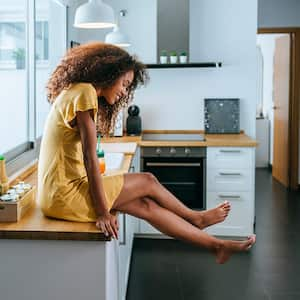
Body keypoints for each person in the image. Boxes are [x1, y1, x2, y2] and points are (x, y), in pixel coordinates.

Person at [38, 42, 255, 264]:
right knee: (147, 181)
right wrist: (103, 212)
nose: (124, 91)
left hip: (56, 195)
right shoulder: (85, 92)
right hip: (65, 195)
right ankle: (195, 218)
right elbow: (90, 157)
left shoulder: (75, 90)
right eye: (124, 83)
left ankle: (216, 246)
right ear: (108, 74)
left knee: (146, 206)